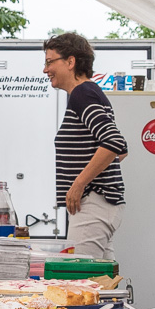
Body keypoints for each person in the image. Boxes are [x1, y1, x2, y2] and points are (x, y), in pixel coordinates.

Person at [42, 32, 126, 258]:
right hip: (100, 204)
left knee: (80, 274)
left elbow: (114, 142)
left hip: (93, 205)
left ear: (70, 62)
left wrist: (79, 184)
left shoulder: (82, 94)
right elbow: (121, 150)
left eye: (50, 62)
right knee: (101, 277)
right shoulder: (90, 93)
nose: (45, 69)